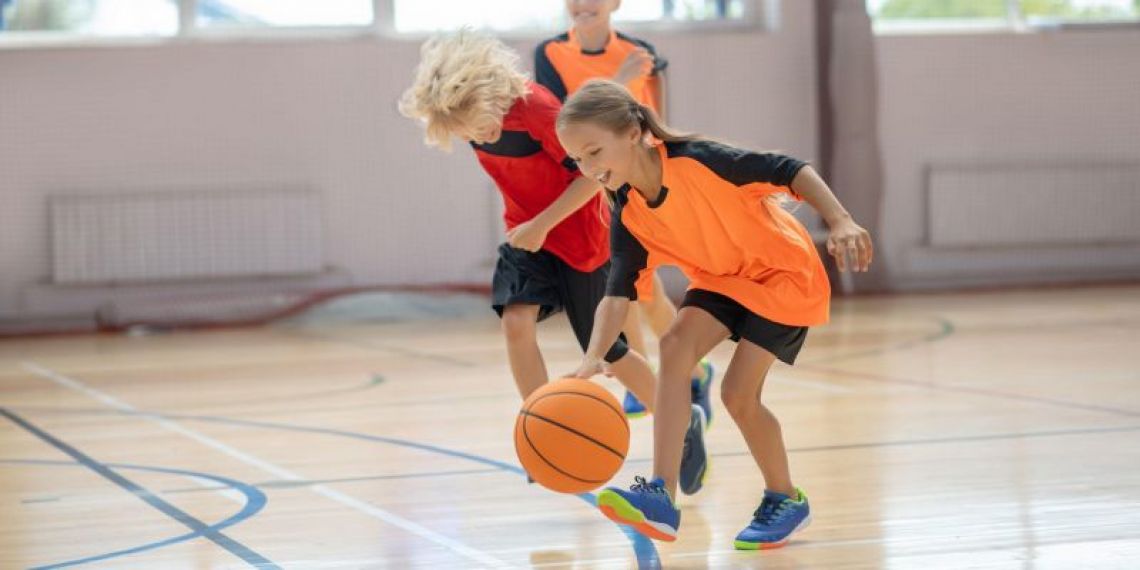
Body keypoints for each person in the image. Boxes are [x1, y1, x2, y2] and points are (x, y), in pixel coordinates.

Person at [558, 79, 873, 547]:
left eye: (593, 152)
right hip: (721, 278)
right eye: (578, 160)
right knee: (674, 344)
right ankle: (661, 494)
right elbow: (616, 294)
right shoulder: (629, 212)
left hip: (782, 275)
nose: (588, 168)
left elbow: (791, 169)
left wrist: (840, 218)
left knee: (738, 396)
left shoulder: (700, 160)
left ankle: (785, 497)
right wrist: (592, 360)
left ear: (630, 133)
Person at [398, 32, 708, 485]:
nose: (476, 135)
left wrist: (543, 223)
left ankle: (682, 420)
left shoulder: (539, 110)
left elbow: (593, 179)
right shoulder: (468, 119)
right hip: (527, 236)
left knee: (607, 352)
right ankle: (542, 430)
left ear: (489, 92)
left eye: (478, 124)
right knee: (515, 323)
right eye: (466, 131)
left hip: (582, 238)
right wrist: (533, 228)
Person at [536, 0, 715, 424]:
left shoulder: (642, 53)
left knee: (642, 291)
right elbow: (561, 119)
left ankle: (691, 371)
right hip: (588, 186)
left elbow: (658, 125)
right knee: (624, 288)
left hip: (634, 186)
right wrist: (618, 81)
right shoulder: (551, 54)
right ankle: (652, 375)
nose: (582, 4)